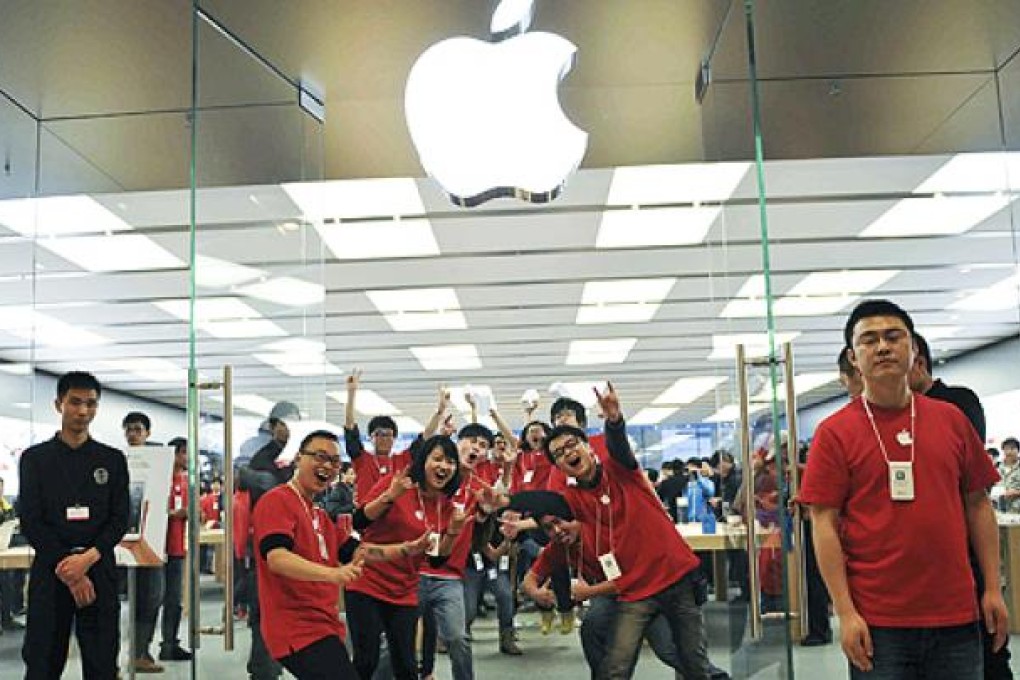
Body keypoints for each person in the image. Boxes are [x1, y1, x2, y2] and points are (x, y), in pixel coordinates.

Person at [800, 299, 1007, 678]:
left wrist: (992, 588)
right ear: (854, 357)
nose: (882, 347)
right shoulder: (833, 433)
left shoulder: (951, 420)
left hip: (956, 615)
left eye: (894, 337)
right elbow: (823, 523)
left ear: (913, 350)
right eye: (869, 340)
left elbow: (978, 505)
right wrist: (844, 612)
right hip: (879, 622)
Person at [518, 383, 711, 679]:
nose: (567, 452)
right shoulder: (572, 501)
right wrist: (506, 501)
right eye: (558, 452)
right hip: (632, 590)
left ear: (587, 445)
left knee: (689, 659)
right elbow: (546, 504)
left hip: (667, 578)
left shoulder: (619, 469)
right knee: (614, 660)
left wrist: (614, 420)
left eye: (572, 443)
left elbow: (619, 445)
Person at [252, 429, 431, 680]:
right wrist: (333, 574)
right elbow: (277, 558)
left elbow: (360, 552)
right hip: (296, 628)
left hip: (323, 625)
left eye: (335, 461)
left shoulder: (320, 516)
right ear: (298, 459)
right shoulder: (277, 501)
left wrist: (405, 549)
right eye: (319, 456)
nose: (327, 465)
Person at [909, 332, 1011, 678]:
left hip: (965, 550)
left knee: (990, 649)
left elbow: (971, 489)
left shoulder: (956, 403)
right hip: (922, 567)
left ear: (918, 361)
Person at [19, 371, 130, 679]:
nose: (83, 411)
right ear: (59, 404)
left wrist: (86, 560)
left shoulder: (112, 460)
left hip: (99, 570)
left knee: (102, 662)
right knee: (42, 660)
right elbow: (32, 520)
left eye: (91, 404)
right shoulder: (35, 459)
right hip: (52, 571)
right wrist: (69, 569)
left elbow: (119, 519)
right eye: (75, 402)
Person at [345, 435, 465, 680]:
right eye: (438, 459)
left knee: (407, 666)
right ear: (423, 462)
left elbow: (436, 560)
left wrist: (453, 531)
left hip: (404, 591)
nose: (444, 467)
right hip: (367, 583)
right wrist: (389, 496)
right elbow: (359, 520)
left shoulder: (446, 507)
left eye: (450, 462)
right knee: (367, 660)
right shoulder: (398, 484)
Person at [243, 410, 296, 680]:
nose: (288, 430)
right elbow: (269, 492)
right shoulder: (264, 458)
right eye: (284, 424)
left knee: (277, 610)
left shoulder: (293, 455)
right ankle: (263, 668)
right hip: (266, 543)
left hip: (288, 542)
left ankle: (267, 664)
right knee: (264, 608)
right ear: (274, 426)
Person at [122, 410, 166, 674]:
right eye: (128, 429)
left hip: (152, 539)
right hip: (121, 541)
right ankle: (132, 652)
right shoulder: (118, 461)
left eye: (137, 429)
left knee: (151, 598)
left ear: (148, 433)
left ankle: (141, 651)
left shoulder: (159, 463)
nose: (132, 434)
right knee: (129, 600)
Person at [158, 437, 191, 662]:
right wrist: (171, 514)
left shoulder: (185, 481)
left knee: (174, 598)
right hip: (159, 547)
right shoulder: (162, 480)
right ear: (178, 454)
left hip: (178, 547)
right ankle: (145, 650)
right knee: (155, 598)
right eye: (186, 453)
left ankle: (170, 643)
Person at [999, 438, 1020, 513]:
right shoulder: (997, 467)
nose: (1009, 451)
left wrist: (1017, 492)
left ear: (1018, 450)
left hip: (1017, 510)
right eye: (1006, 449)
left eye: (1012, 448)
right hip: (999, 510)